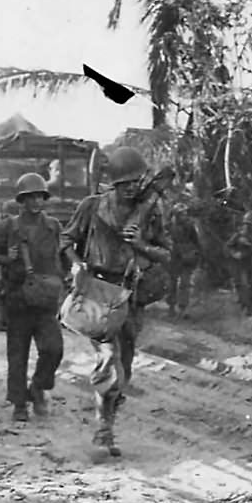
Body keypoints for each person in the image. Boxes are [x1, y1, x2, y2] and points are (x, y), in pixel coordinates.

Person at [62, 147, 171, 456]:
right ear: (113, 183)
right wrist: (75, 264)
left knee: (124, 366)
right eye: (126, 183)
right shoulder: (92, 207)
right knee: (109, 360)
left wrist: (141, 245)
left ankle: (109, 412)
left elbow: (168, 252)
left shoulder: (152, 211)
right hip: (99, 289)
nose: (133, 188)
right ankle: (103, 430)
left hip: (132, 294)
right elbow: (66, 240)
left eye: (137, 182)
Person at [0, 173, 66, 422]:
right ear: (21, 200)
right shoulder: (8, 226)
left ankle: (38, 387)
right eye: (30, 197)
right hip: (17, 297)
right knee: (17, 354)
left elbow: (61, 257)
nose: (35, 201)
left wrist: (67, 278)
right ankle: (19, 404)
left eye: (39, 196)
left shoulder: (53, 226)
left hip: (44, 299)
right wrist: (7, 259)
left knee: (53, 349)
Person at [165, 184, 202, 319]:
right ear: (176, 215)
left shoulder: (190, 226)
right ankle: (171, 307)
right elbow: (164, 239)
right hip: (173, 256)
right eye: (182, 214)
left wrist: (197, 253)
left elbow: (196, 241)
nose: (185, 216)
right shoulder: (169, 227)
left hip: (186, 256)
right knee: (172, 283)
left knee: (185, 283)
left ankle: (183, 308)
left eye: (185, 213)